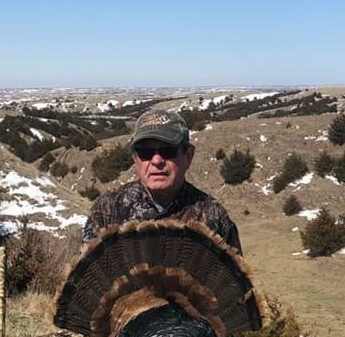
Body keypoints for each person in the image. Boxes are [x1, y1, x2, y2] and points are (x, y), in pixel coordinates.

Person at [81, 108, 242, 252]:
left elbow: (235, 284)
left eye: (168, 150)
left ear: (188, 156)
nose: (157, 160)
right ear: (135, 158)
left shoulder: (214, 217)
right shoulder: (106, 211)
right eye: (145, 152)